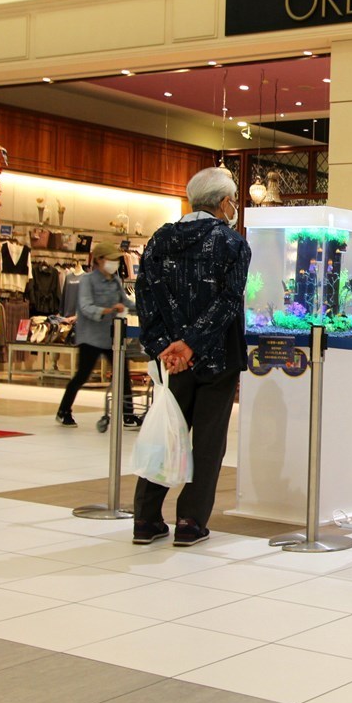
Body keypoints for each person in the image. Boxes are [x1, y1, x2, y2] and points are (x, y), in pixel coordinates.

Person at [131, 168, 250, 547]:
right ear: (222, 202)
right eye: (232, 199)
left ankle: (146, 520)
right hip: (217, 358)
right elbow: (227, 302)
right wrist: (193, 343)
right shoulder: (232, 244)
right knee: (209, 441)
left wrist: (166, 346)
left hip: (171, 363)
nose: (234, 206)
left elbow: (145, 296)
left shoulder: (159, 240)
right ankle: (190, 521)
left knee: (166, 434)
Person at [56, 242, 137, 428]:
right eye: (111, 258)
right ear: (100, 260)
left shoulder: (115, 281)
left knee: (123, 374)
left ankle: (128, 414)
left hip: (111, 337)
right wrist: (108, 310)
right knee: (82, 375)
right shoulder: (87, 280)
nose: (114, 262)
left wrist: (141, 308)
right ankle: (63, 410)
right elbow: (85, 307)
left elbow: (125, 301)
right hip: (90, 338)